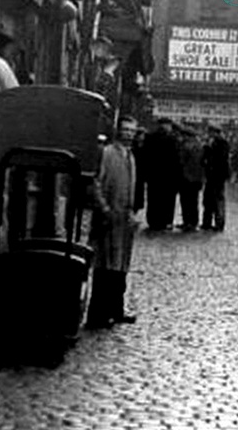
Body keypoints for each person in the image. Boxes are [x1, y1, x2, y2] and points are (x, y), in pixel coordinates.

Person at [87, 117, 141, 329]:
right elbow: (96, 183)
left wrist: (131, 213)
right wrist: (104, 208)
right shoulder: (108, 153)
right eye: (125, 130)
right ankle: (98, 314)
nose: (128, 134)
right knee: (105, 266)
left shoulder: (131, 157)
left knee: (120, 267)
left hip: (124, 221)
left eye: (132, 131)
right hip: (108, 219)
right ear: (118, 131)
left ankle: (116, 310)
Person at [139, 119, 179, 232]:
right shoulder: (172, 139)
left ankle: (152, 221)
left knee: (153, 198)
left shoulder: (150, 137)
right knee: (164, 199)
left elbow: (145, 155)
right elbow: (175, 159)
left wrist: (146, 173)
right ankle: (163, 221)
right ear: (167, 126)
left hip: (153, 175)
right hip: (167, 176)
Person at [201, 126, 230, 231]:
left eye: (211, 132)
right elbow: (204, 158)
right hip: (210, 176)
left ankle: (219, 224)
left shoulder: (222, 144)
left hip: (218, 177)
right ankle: (206, 223)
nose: (210, 134)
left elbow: (221, 160)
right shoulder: (210, 143)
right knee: (207, 200)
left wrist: (209, 149)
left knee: (218, 201)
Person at [176, 125, 205, 231]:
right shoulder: (199, 145)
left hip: (186, 177)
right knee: (193, 201)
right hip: (197, 178)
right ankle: (193, 222)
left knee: (186, 201)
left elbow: (181, 161)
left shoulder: (185, 145)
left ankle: (187, 222)